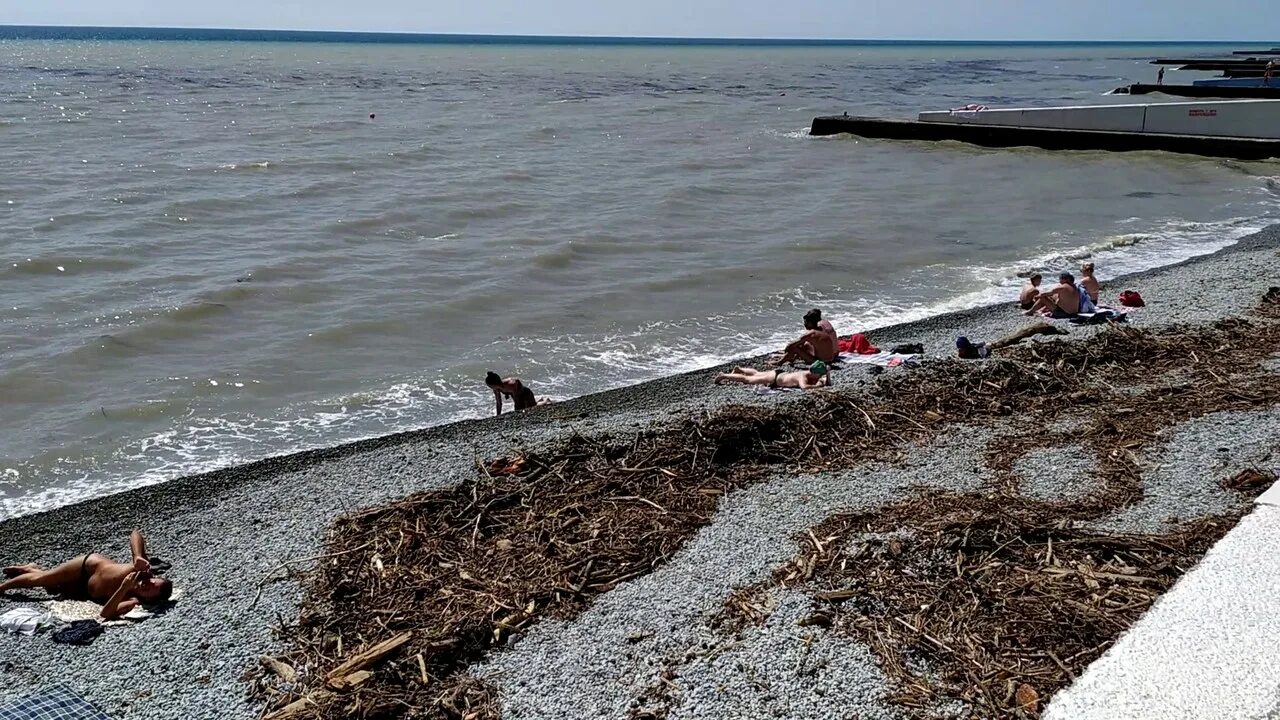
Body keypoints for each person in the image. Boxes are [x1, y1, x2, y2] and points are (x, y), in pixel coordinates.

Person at [1, 530, 172, 620]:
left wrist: (123, 588)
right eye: (152, 581)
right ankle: (3, 587)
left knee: (52, 588)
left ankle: (30, 568)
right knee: (40, 580)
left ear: (149, 600)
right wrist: (138, 556)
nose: (146, 584)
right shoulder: (142, 571)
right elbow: (135, 533)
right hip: (89, 567)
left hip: (84, 590)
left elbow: (105, 614)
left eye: (150, 589)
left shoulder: (133, 600)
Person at [770, 311, 838, 366]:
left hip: (821, 362)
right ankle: (790, 358)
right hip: (831, 359)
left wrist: (787, 351)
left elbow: (790, 346)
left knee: (794, 347)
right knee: (804, 345)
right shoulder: (821, 330)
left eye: (806, 322)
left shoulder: (811, 334)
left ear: (810, 323)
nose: (804, 325)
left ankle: (779, 362)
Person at [716, 361, 830, 389]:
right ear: (815, 373)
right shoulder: (803, 376)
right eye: (820, 374)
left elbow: (827, 383)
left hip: (779, 374)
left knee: (756, 373)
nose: (820, 377)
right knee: (748, 379)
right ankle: (724, 375)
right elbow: (804, 387)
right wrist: (817, 386)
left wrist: (828, 375)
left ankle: (739, 369)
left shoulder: (811, 374)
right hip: (775, 378)